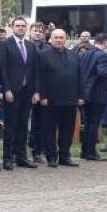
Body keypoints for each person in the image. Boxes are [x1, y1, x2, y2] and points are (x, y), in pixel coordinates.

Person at [0, 17, 40, 171]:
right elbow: (2, 69)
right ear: (12, 27)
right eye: (18, 26)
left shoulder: (30, 45)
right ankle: (7, 158)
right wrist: (6, 89)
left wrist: (36, 91)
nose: (21, 28)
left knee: (23, 126)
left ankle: (21, 157)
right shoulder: (5, 45)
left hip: (27, 92)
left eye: (23, 26)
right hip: (12, 92)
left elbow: (35, 70)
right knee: (10, 126)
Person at [38, 29, 83, 167]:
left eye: (61, 37)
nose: (58, 40)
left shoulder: (73, 55)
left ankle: (65, 156)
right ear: (50, 39)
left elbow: (79, 76)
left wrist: (80, 95)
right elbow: (39, 77)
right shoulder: (43, 55)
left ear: (66, 39)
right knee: (50, 130)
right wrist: (43, 95)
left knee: (67, 130)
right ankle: (51, 157)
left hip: (70, 99)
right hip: (50, 100)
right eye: (56, 37)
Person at [78, 33, 107, 161]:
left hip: (86, 93)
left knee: (87, 123)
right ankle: (91, 152)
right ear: (104, 42)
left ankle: (84, 151)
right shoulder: (102, 55)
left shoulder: (85, 54)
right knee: (94, 124)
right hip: (98, 93)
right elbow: (102, 72)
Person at [28, 21, 49, 163]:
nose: (38, 33)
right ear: (31, 32)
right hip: (25, 90)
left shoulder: (48, 49)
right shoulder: (24, 47)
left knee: (40, 123)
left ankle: (37, 151)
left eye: (40, 31)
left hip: (42, 91)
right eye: (35, 30)